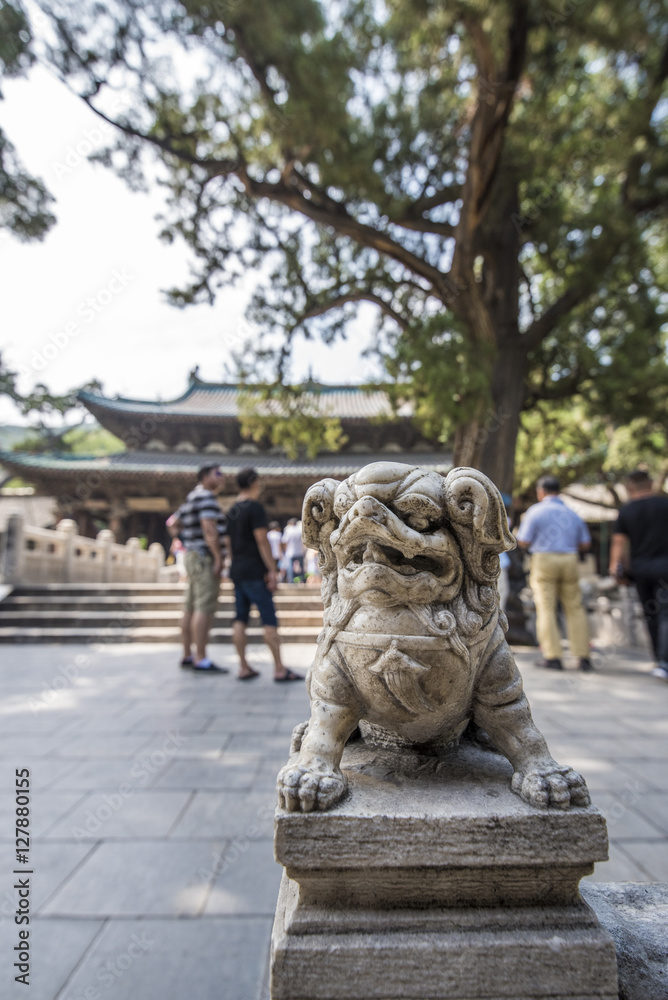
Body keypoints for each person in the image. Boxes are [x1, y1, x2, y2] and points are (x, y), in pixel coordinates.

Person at [226, 468, 303, 682]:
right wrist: (271, 569)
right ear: (253, 483)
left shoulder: (231, 510)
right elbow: (261, 539)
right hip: (255, 571)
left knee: (240, 617)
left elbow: (228, 543)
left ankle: (243, 666)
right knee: (268, 617)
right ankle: (279, 668)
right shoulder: (255, 508)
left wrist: (233, 563)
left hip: (238, 569)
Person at [516, 474, 593, 672]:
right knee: (575, 607)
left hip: (544, 560)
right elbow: (585, 543)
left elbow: (523, 540)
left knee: (546, 608)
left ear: (541, 492)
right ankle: (582, 656)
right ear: (558, 491)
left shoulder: (535, 511)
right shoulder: (571, 513)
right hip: (569, 558)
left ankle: (553, 656)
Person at [169, 463, 229, 673]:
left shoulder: (191, 497)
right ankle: (201, 658)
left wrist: (183, 539)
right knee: (204, 606)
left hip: (192, 554)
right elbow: (209, 528)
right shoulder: (206, 497)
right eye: (218, 473)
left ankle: (187, 654)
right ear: (205, 476)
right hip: (204, 556)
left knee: (190, 606)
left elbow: (171, 523)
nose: (222, 478)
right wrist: (218, 558)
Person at [609, 470, 668, 681]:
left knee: (651, 614)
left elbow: (619, 543)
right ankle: (664, 661)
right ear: (650, 484)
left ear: (629, 487)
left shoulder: (627, 511)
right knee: (665, 614)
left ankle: (660, 660)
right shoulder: (664, 505)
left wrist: (616, 568)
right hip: (665, 570)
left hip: (641, 570)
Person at [282, 517, 306, 583]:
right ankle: (303, 581)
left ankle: (291, 582)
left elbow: (284, 541)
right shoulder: (300, 530)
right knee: (301, 567)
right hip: (300, 551)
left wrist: (284, 550)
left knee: (290, 568)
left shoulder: (288, 530)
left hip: (290, 552)